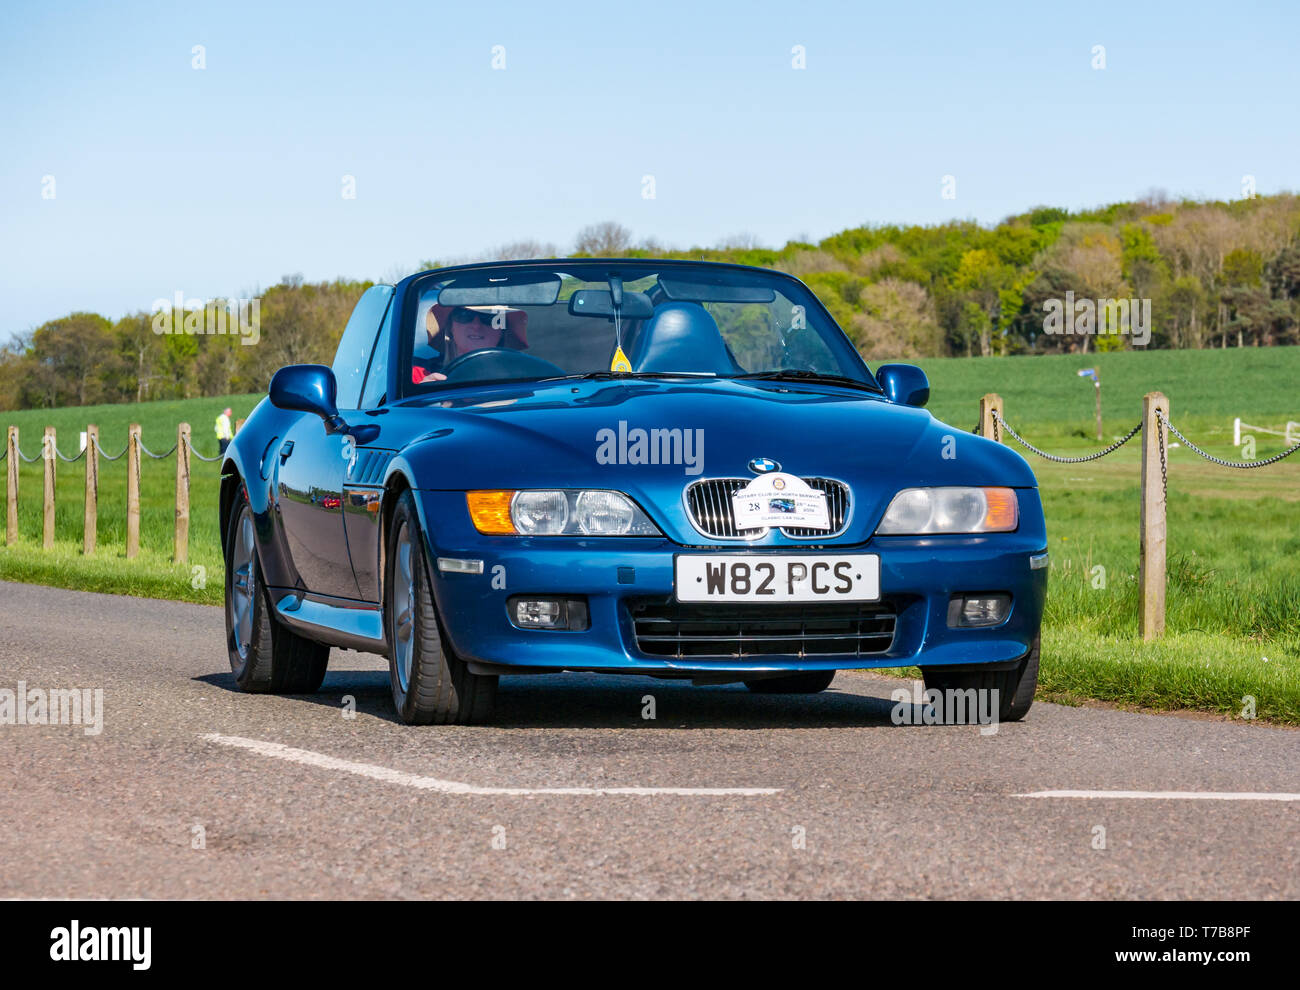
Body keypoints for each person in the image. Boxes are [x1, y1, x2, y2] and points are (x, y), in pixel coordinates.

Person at [412, 303, 529, 384]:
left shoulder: (524, 377)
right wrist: (422, 395)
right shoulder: (416, 375)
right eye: (464, 315)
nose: (476, 325)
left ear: (502, 330)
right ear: (450, 327)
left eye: (489, 317)